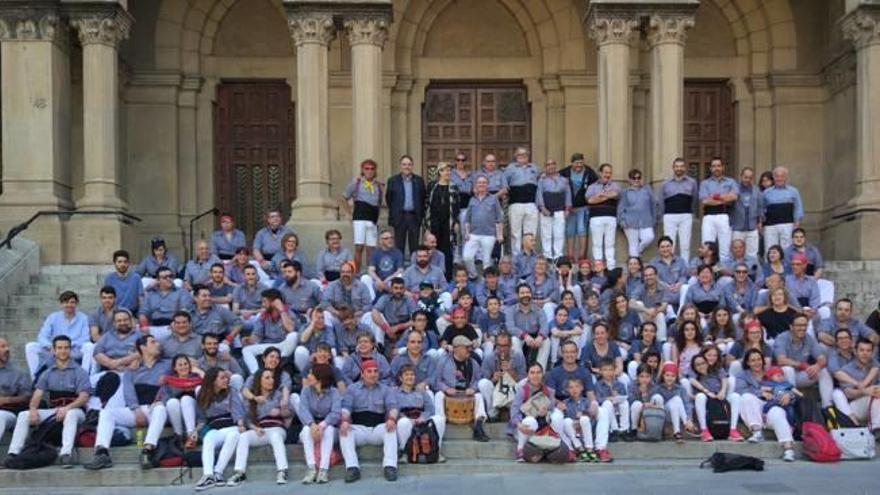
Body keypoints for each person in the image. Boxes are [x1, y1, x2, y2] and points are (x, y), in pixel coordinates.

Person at [83, 335, 171, 471]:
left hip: (155, 407)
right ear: (143, 347)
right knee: (106, 413)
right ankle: (102, 452)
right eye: (153, 342)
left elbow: (175, 382)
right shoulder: (133, 369)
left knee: (160, 409)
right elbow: (128, 391)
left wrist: (161, 400)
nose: (157, 344)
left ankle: (147, 450)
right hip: (136, 409)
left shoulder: (168, 364)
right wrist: (135, 409)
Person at [6, 335, 90, 469]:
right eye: (60, 348)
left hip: (76, 411)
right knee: (23, 415)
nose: (63, 351)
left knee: (71, 414)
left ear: (70, 350)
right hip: (55, 410)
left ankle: (66, 454)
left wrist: (67, 408)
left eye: (66, 348)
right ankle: (13, 453)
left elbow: (84, 397)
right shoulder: (47, 373)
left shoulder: (80, 372)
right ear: (53, 350)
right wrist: (33, 410)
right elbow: (37, 396)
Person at [226, 368, 291, 487]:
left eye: (272, 377)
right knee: (244, 436)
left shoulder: (278, 394)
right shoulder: (252, 399)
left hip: (276, 428)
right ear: (259, 381)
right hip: (260, 430)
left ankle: (282, 471)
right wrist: (255, 428)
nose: (271, 380)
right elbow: (247, 420)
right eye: (267, 378)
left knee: (276, 436)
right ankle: (240, 472)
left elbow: (289, 413)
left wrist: (281, 412)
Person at [339, 359, 399, 483]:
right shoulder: (352, 389)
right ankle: (352, 468)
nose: (373, 374)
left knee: (391, 429)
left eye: (376, 371)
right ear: (362, 374)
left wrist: (392, 419)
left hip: (378, 428)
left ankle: (390, 466)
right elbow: (346, 408)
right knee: (344, 431)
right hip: (359, 428)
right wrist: (345, 420)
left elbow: (393, 407)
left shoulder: (385, 389)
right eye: (369, 371)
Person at [734, 349, 797, 461]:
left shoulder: (772, 372)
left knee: (777, 412)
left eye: (759, 359)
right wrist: (760, 392)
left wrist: (789, 395)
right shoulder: (742, 375)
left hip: (771, 406)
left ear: (763, 360)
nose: (757, 362)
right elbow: (740, 390)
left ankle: (788, 449)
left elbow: (788, 387)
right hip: (754, 408)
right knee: (746, 397)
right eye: (752, 360)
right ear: (747, 363)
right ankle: (757, 432)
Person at [193, 367, 246, 491]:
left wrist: (241, 425)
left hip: (231, 426)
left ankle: (218, 472)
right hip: (215, 429)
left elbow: (238, 411)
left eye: (226, 377)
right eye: (222, 378)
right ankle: (208, 475)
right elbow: (201, 419)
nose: (226, 380)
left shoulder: (231, 391)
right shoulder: (203, 395)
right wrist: (195, 431)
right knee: (208, 438)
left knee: (234, 435)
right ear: (212, 381)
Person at [434, 336, 490, 442]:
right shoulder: (444, 361)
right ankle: (441, 423)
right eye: (466, 347)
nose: (469, 349)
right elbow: (437, 381)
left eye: (469, 347)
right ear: (456, 348)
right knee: (438, 395)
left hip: (466, 393)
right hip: (451, 393)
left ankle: (478, 426)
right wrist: (446, 389)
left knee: (478, 396)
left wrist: (473, 388)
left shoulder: (473, 362)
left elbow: (479, 379)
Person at [26, 291, 92, 378]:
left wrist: (67, 346)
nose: (69, 305)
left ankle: (84, 378)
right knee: (30, 346)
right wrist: (51, 346)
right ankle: (35, 379)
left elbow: (85, 338)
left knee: (89, 346)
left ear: (76, 304)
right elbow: (42, 336)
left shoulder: (83, 318)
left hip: (74, 351)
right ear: (61, 304)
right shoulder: (53, 317)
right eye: (66, 302)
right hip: (54, 351)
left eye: (72, 302)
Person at [774, 314, 833, 408]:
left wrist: (817, 366)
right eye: (798, 325)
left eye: (804, 325)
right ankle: (791, 405)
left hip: (800, 376)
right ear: (791, 327)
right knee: (788, 369)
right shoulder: (782, 338)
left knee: (824, 371)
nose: (802, 328)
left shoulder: (808, 338)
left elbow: (822, 358)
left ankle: (827, 407)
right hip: (783, 378)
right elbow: (781, 360)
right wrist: (802, 365)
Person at [296, 363, 341, 484]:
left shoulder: (334, 392)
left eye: (311, 374)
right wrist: (312, 425)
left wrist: (322, 426)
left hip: (329, 427)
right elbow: (303, 410)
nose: (308, 376)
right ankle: (311, 468)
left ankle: (323, 469)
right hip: (311, 426)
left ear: (320, 377)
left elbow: (336, 414)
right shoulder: (306, 391)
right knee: (306, 430)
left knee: (329, 430)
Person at [511, 363, 565, 461]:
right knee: (529, 421)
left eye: (538, 372)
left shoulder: (549, 391)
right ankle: (521, 449)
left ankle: (556, 446)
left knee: (558, 416)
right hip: (526, 426)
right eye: (532, 373)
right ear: (528, 375)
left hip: (544, 424)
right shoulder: (523, 391)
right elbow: (514, 411)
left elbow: (552, 408)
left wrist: (546, 412)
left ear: (542, 374)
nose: (535, 376)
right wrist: (519, 424)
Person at [395, 362, 447, 459]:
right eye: (406, 375)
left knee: (439, 419)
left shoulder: (421, 392)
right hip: (405, 419)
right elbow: (393, 409)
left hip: (421, 418)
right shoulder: (395, 393)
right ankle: (404, 452)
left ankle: (436, 451)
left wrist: (423, 417)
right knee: (403, 422)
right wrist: (407, 418)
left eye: (412, 375)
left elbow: (430, 408)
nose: (410, 377)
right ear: (400, 378)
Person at [690, 351, 743, 442]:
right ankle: (704, 431)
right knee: (700, 396)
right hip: (706, 402)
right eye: (697, 365)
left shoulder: (716, 371)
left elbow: (725, 379)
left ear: (707, 362)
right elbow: (691, 380)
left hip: (720, 399)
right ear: (694, 367)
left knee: (735, 396)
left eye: (703, 363)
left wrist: (722, 392)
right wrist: (706, 391)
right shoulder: (696, 376)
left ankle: (733, 430)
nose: (701, 366)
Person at [242, 289, 298, 374]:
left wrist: (281, 310)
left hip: (284, 347)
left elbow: (291, 329)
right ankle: (257, 374)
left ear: (274, 302)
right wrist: (249, 340)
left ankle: (281, 362)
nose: (262, 305)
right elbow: (257, 336)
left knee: (294, 335)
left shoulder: (288, 313)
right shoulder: (263, 315)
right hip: (269, 345)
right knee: (246, 350)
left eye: (264, 302)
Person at [344, 159, 384, 271]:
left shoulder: (379, 186)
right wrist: (348, 212)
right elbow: (345, 196)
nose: (369, 171)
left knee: (371, 248)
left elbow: (379, 203)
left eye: (372, 168)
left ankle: (369, 273)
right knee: (359, 247)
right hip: (359, 219)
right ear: (362, 170)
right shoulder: (356, 183)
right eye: (366, 168)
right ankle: (356, 273)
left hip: (372, 220)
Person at [463, 175, 505, 280]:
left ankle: (486, 281)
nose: (481, 184)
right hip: (473, 234)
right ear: (476, 185)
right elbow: (467, 218)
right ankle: (474, 275)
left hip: (489, 235)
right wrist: (467, 232)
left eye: (484, 182)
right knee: (467, 257)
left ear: (487, 185)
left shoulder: (493, 199)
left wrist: (499, 235)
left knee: (486, 261)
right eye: (479, 182)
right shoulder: (472, 200)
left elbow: (499, 218)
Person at [477, 331, 526, 420]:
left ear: (510, 345)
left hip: (511, 391)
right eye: (499, 345)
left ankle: (513, 411)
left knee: (524, 383)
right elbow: (484, 378)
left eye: (505, 346)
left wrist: (511, 372)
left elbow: (523, 379)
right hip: (495, 393)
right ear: (496, 345)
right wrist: (494, 379)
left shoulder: (518, 356)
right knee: (483, 383)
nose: (502, 349)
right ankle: (493, 413)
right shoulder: (489, 358)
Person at [158, 354, 202, 448]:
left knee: (185, 399)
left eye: (186, 364)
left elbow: (209, 384)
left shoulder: (197, 378)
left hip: (196, 415)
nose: (183, 367)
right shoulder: (169, 381)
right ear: (175, 368)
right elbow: (164, 398)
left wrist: (198, 371)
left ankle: (191, 436)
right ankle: (178, 435)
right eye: (180, 365)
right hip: (177, 416)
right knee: (171, 402)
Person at [658, 157, 699, 261]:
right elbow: (661, 201)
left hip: (686, 215)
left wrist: (691, 212)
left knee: (685, 245)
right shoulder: (665, 183)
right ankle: (669, 265)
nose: (679, 169)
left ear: (685, 168)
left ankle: (684, 268)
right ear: (673, 168)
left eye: (681, 166)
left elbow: (695, 199)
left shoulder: (692, 182)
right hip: (669, 216)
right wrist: (663, 215)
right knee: (669, 244)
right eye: (677, 166)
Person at [386, 155, 426, 257]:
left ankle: (414, 269)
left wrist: (421, 216)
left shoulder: (419, 181)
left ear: (412, 166)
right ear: (400, 166)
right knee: (399, 246)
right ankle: (400, 270)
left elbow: (423, 198)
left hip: (414, 217)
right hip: (400, 217)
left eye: (409, 164)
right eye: (404, 164)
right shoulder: (393, 181)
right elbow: (389, 199)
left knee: (415, 246)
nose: (406, 167)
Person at [424, 161, 459, 279]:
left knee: (447, 251)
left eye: (449, 170)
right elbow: (427, 206)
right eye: (445, 170)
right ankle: (432, 276)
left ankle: (447, 277)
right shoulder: (432, 186)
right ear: (440, 172)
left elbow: (456, 206)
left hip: (448, 225)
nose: (447, 172)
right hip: (434, 223)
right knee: (433, 250)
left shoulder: (454, 187)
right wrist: (427, 227)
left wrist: (456, 222)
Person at [503, 147, 540, 257]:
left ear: (528, 156)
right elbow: (504, 182)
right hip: (516, 203)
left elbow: (539, 182)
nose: (522, 156)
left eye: (524, 154)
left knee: (531, 231)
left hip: (531, 203)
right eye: (519, 154)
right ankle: (516, 255)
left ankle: (529, 254)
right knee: (516, 232)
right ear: (516, 156)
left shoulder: (534, 167)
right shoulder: (510, 168)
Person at [560, 153, 598, 261]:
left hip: (583, 206)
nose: (579, 165)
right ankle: (570, 256)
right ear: (572, 163)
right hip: (570, 207)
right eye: (577, 163)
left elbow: (596, 184)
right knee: (570, 231)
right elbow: (555, 178)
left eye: (581, 162)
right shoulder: (565, 172)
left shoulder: (589, 172)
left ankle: (582, 256)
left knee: (582, 231)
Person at [138, 266, 193, 340]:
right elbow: (143, 313)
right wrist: (144, 327)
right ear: (158, 280)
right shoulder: (150, 294)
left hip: (173, 325)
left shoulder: (182, 292)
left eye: (170, 276)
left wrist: (177, 323)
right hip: (153, 327)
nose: (169, 279)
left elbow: (184, 310)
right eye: (165, 277)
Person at [699, 157, 738, 260]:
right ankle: (707, 271)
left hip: (724, 215)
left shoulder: (731, 182)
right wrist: (724, 198)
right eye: (714, 166)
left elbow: (734, 197)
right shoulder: (705, 183)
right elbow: (705, 201)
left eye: (718, 166)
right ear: (711, 168)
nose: (716, 168)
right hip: (708, 217)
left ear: (723, 167)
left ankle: (724, 272)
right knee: (707, 246)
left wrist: (714, 197)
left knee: (725, 248)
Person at [839, 338, 880, 433]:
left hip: (874, 403)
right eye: (861, 350)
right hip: (855, 407)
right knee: (875, 396)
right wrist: (864, 391)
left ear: (872, 353)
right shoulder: (846, 369)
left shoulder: (875, 366)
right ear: (855, 351)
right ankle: (876, 428)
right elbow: (848, 393)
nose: (865, 353)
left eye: (868, 351)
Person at [505, 284, 550, 370]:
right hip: (519, 337)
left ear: (531, 294)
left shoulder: (538, 310)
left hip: (535, 337)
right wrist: (524, 335)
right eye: (522, 293)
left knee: (546, 340)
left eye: (527, 292)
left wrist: (540, 336)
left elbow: (545, 326)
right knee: (514, 340)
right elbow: (510, 327)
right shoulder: (510, 310)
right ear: (517, 295)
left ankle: (540, 371)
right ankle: (521, 370)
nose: (525, 295)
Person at [586, 163, 621, 269]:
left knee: (610, 243)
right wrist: (607, 195)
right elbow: (590, 200)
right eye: (606, 172)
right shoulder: (592, 186)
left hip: (611, 217)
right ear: (600, 173)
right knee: (597, 243)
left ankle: (611, 267)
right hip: (596, 217)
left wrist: (600, 195)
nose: (608, 175)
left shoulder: (614, 185)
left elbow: (615, 194)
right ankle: (598, 267)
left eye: (610, 173)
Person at [535, 159, 571, 261]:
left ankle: (558, 256)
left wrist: (568, 208)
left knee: (559, 234)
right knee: (546, 234)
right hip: (546, 210)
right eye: (548, 165)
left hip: (560, 210)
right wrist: (542, 207)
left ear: (556, 166)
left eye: (552, 164)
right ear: (545, 167)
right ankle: (547, 256)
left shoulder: (563, 180)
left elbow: (568, 194)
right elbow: (539, 194)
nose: (550, 166)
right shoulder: (542, 180)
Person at [369, 277, 417, 351]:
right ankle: (379, 347)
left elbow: (415, 319)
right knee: (371, 317)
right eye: (396, 288)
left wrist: (398, 327)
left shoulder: (409, 300)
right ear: (391, 289)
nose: (399, 291)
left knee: (414, 326)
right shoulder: (385, 298)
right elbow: (374, 312)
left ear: (404, 289)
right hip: (386, 330)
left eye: (401, 288)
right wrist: (386, 328)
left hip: (404, 331)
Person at [0, 336, 32, 447]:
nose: (7, 349)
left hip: (9, 412)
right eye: (2, 347)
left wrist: (6, 400)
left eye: (7, 346)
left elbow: (27, 397)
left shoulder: (19, 373)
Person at [761, 166, 803, 250]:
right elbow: (761, 209)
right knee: (770, 250)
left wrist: (797, 223)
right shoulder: (766, 192)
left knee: (787, 249)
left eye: (782, 176)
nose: (779, 178)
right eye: (777, 176)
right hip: (770, 226)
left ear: (786, 177)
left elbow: (798, 208)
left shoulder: (793, 191)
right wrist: (761, 223)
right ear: (773, 177)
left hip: (788, 224)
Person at [191, 284, 242, 353]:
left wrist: (229, 338)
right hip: (197, 342)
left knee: (223, 349)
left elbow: (239, 323)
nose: (208, 298)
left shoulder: (220, 310)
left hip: (217, 343)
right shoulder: (189, 312)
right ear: (195, 298)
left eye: (209, 295)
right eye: (204, 296)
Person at [91, 309, 140, 381]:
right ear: (114, 323)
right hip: (108, 371)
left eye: (125, 320)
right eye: (119, 321)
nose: (122, 323)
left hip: (130, 373)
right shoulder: (107, 336)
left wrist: (119, 363)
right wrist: (111, 364)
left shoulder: (139, 336)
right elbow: (97, 353)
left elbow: (140, 354)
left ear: (130, 321)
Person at [617, 169, 655, 258]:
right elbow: (621, 208)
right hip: (630, 221)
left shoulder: (646, 190)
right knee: (632, 245)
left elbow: (654, 203)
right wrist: (621, 221)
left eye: (639, 178)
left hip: (646, 221)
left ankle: (638, 250)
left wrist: (654, 219)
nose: (636, 180)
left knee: (649, 237)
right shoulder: (625, 192)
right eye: (634, 178)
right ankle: (635, 267)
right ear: (629, 180)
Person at [629, 266, 671, 341]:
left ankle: (661, 341)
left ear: (656, 275)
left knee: (660, 315)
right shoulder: (641, 287)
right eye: (646, 275)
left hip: (657, 315)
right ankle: (640, 338)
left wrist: (654, 312)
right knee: (638, 303)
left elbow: (664, 305)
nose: (648, 277)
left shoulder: (664, 287)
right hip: (644, 315)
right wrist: (646, 310)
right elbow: (630, 303)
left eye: (651, 275)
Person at [656, 362, 694, 443]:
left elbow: (687, 404)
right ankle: (686, 424)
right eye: (667, 375)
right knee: (676, 399)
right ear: (663, 375)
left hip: (677, 414)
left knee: (677, 399)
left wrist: (689, 418)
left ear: (676, 377)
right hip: (664, 414)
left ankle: (677, 431)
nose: (670, 378)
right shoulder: (658, 388)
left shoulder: (680, 388)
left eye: (673, 376)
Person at [362, 227, 404, 300]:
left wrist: (387, 280)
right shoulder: (375, 253)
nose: (390, 240)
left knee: (400, 276)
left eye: (391, 238)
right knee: (365, 278)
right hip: (378, 282)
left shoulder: (397, 252)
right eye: (386, 238)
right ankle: (372, 301)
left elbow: (400, 270)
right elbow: (370, 270)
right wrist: (378, 281)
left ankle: (395, 298)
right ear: (380, 241)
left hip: (390, 281)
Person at [293, 307, 338, 373]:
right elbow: (302, 340)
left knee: (333, 351)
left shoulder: (328, 329)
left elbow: (331, 344)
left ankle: (326, 373)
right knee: (300, 350)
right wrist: (312, 323)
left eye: (322, 318)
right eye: (318, 318)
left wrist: (317, 354)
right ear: (312, 319)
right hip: (308, 358)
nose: (321, 320)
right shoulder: (305, 327)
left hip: (322, 356)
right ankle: (304, 374)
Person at [731, 167, 763, 259]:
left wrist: (760, 222)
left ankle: (751, 272)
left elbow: (760, 207)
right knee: (737, 254)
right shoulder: (734, 189)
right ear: (741, 176)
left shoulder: (756, 190)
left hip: (752, 227)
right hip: (737, 227)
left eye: (750, 177)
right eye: (745, 177)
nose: (747, 180)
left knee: (752, 254)